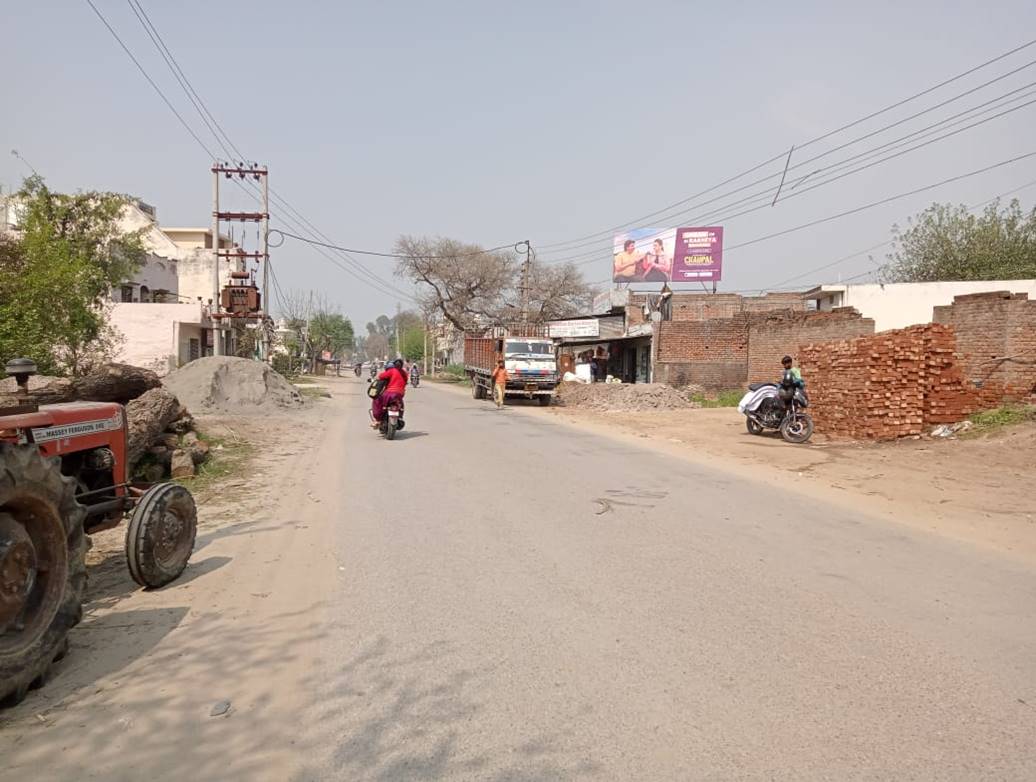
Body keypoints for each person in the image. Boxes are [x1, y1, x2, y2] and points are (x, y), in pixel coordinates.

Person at [371, 358, 408, 427]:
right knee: (400, 404)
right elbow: (406, 382)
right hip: (400, 393)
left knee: (377, 400)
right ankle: (400, 417)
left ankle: (378, 420)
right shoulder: (403, 373)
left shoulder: (392, 371)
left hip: (390, 392)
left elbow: (381, 376)